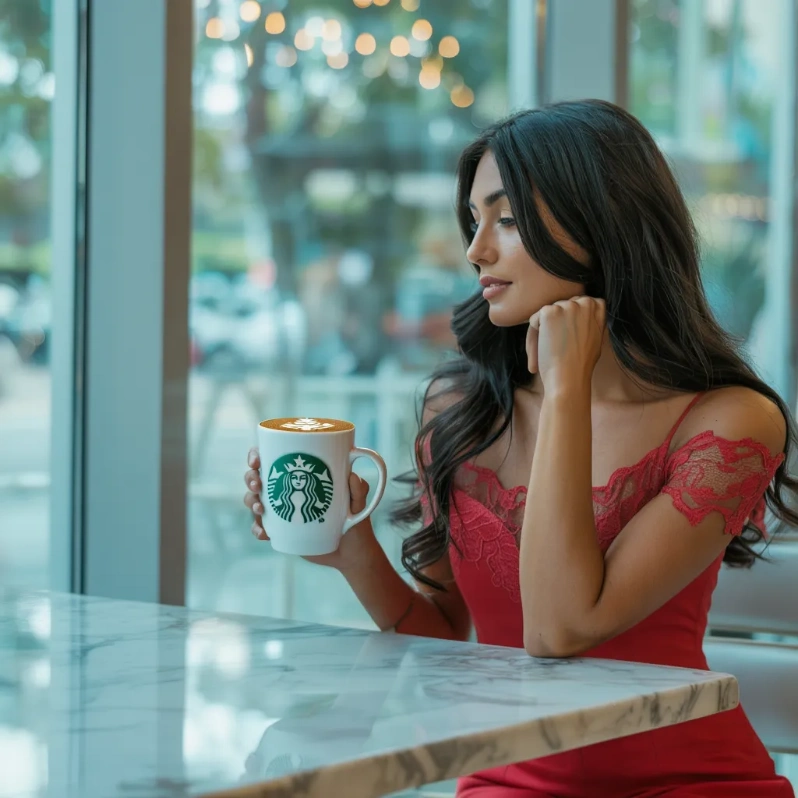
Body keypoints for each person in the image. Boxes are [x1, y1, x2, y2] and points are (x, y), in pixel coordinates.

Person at [244, 100, 798, 797]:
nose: (476, 250)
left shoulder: (730, 421)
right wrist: (351, 550)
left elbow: (562, 628)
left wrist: (565, 390)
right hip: (509, 783)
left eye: (506, 219)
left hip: (688, 783)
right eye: (475, 221)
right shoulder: (461, 410)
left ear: (602, 223)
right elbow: (447, 639)